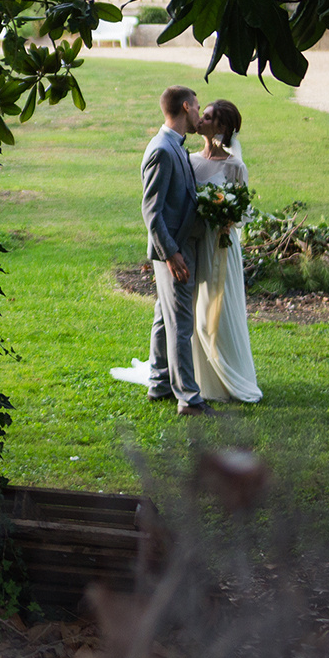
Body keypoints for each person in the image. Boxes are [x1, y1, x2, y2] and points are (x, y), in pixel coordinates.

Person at [132, 85, 210, 416]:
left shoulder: (173, 145)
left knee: (164, 318)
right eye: (197, 107)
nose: (199, 113)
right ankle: (189, 399)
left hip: (177, 247)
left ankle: (160, 383)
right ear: (185, 106)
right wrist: (170, 253)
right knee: (181, 323)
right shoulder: (163, 149)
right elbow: (151, 210)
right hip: (174, 252)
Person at [188, 100, 261, 403]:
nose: (200, 121)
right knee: (195, 309)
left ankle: (229, 372)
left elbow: (244, 213)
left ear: (220, 127)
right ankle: (198, 376)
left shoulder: (234, 166)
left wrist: (225, 216)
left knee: (220, 307)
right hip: (195, 245)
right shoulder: (189, 160)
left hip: (220, 246)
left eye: (206, 118)